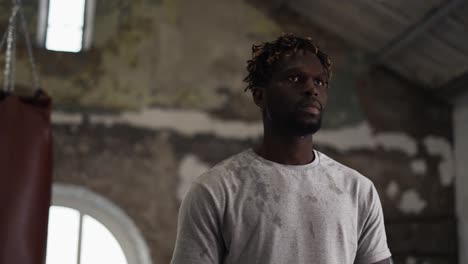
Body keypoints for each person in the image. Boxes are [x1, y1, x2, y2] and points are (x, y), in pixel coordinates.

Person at [171, 34, 392, 264]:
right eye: (295, 78)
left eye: (319, 82)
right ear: (259, 95)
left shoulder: (357, 190)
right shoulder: (216, 190)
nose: (311, 89)